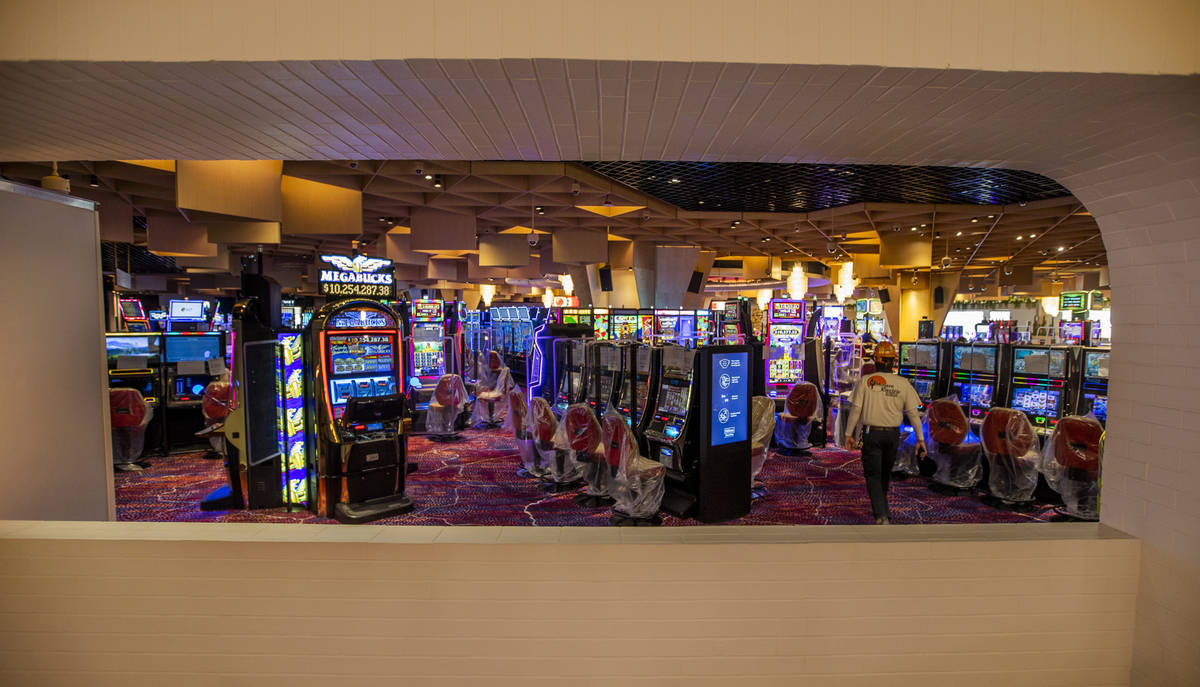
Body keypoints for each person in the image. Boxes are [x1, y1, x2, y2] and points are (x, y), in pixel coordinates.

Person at [843, 341, 927, 524]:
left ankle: (881, 515)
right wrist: (920, 438)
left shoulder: (866, 381)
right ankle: (883, 510)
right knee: (884, 473)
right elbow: (913, 413)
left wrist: (848, 434)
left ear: (876, 360)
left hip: (872, 434)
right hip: (893, 435)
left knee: (873, 474)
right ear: (894, 362)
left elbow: (856, 410)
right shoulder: (902, 383)